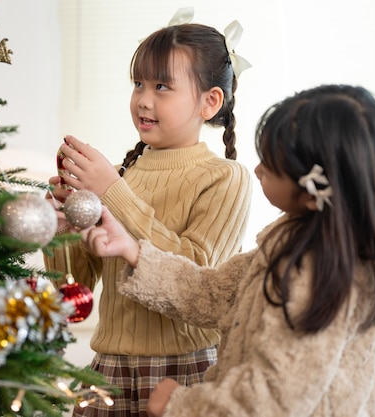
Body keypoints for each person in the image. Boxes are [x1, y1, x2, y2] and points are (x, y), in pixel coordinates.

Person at [81, 84, 375, 417]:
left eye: (270, 164)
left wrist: (179, 405)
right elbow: (211, 294)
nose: (257, 170)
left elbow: (272, 401)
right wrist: (134, 252)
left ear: (312, 193)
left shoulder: (323, 276)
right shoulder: (289, 245)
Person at [44, 7, 253, 417]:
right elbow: (75, 290)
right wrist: (62, 229)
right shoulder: (123, 177)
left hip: (187, 370)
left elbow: (196, 276)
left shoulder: (226, 178)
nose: (143, 99)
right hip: (109, 370)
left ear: (210, 101)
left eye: (162, 86)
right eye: (138, 83)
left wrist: (112, 193)